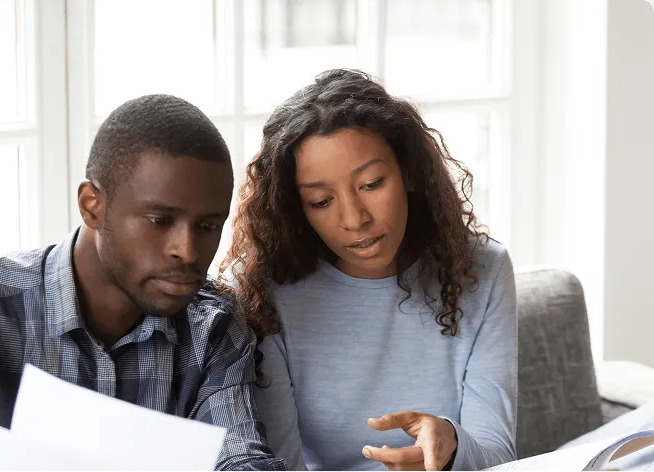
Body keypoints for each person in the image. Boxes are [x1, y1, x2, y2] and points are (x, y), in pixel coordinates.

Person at [220, 69, 518, 472]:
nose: (354, 219)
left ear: (409, 172)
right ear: (296, 207)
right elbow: (280, 465)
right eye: (322, 201)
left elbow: (498, 458)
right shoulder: (261, 289)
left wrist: (449, 446)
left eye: (372, 184)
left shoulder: (482, 269)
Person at [0, 95, 287, 472]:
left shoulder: (214, 327)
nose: (187, 252)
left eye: (207, 226)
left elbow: (237, 453)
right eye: (160, 220)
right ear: (92, 205)